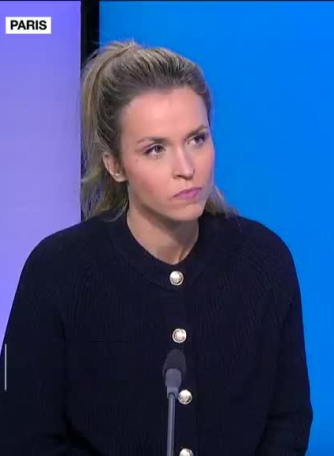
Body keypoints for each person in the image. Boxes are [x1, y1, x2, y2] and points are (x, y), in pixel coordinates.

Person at [0, 40, 312, 455]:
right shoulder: (57, 272)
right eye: (156, 149)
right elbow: (24, 439)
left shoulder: (264, 261)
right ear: (115, 164)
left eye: (197, 139)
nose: (186, 168)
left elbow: (288, 419)